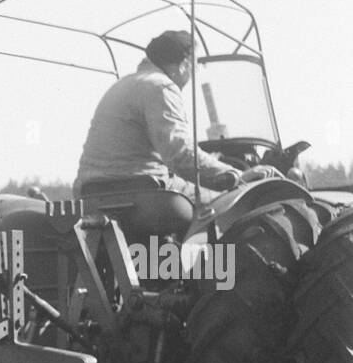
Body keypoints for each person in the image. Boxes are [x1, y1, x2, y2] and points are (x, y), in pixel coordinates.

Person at [75, 29, 279, 221]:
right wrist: (236, 175)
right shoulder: (161, 87)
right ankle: (222, 259)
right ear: (183, 64)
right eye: (195, 65)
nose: (194, 72)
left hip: (93, 194)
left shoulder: (126, 83)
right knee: (235, 199)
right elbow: (180, 154)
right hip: (144, 194)